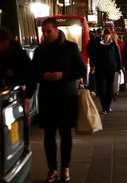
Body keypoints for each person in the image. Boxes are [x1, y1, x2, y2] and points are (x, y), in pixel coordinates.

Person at [27, 18, 87, 183]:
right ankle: (52, 168)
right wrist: (42, 77)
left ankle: (65, 167)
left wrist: (64, 76)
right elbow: (32, 73)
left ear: (56, 30)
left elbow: (81, 69)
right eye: (43, 31)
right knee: (49, 135)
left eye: (48, 31)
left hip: (66, 97)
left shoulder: (70, 47)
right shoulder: (41, 50)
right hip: (47, 97)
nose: (45, 34)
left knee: (66, 134)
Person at [91, 28, 122, 114]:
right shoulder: (98, 45)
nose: (106, 36)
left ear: (110, 35)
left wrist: (119, 68)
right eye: (105, 34)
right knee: (102, 88)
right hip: (100, 69)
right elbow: (93, 57)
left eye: (108, 35)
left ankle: (108, 105)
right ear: (103, 35)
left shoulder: (113, 45)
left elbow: (118, 57)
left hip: (110, 69)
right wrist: (93, 66)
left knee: (109, 87)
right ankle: (104, 106)